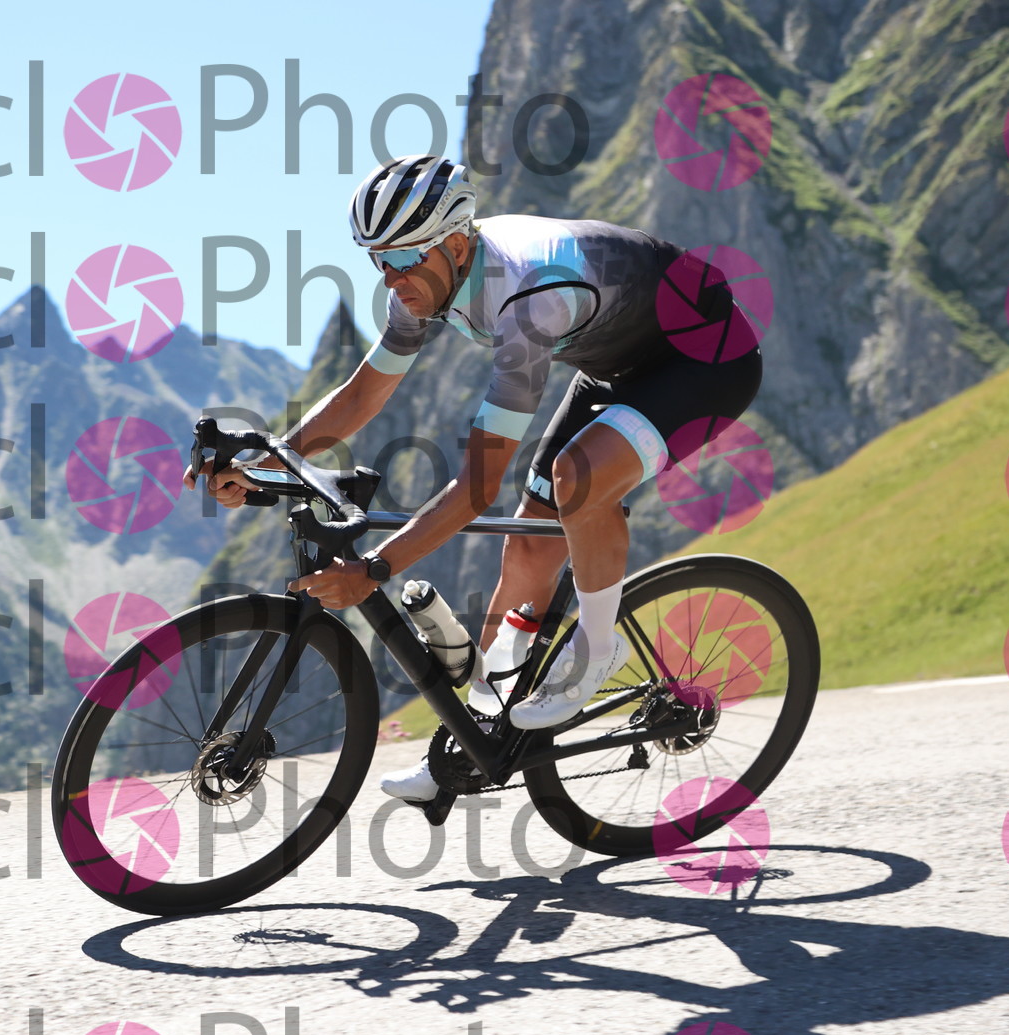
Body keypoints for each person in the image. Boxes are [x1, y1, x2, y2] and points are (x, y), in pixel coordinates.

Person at [184, 153, 762, 803]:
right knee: (527, 549)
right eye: (378, 261)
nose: (391, 278)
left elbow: (476, 488)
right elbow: (364, 393)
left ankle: (598, 646)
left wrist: (373, 569)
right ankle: (471, 742)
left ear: (457, 245)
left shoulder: (528, 299)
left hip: (705, 356)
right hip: (618, 365)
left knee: (576, 480)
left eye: (404, 260)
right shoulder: (423, 279)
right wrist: (264, 462)